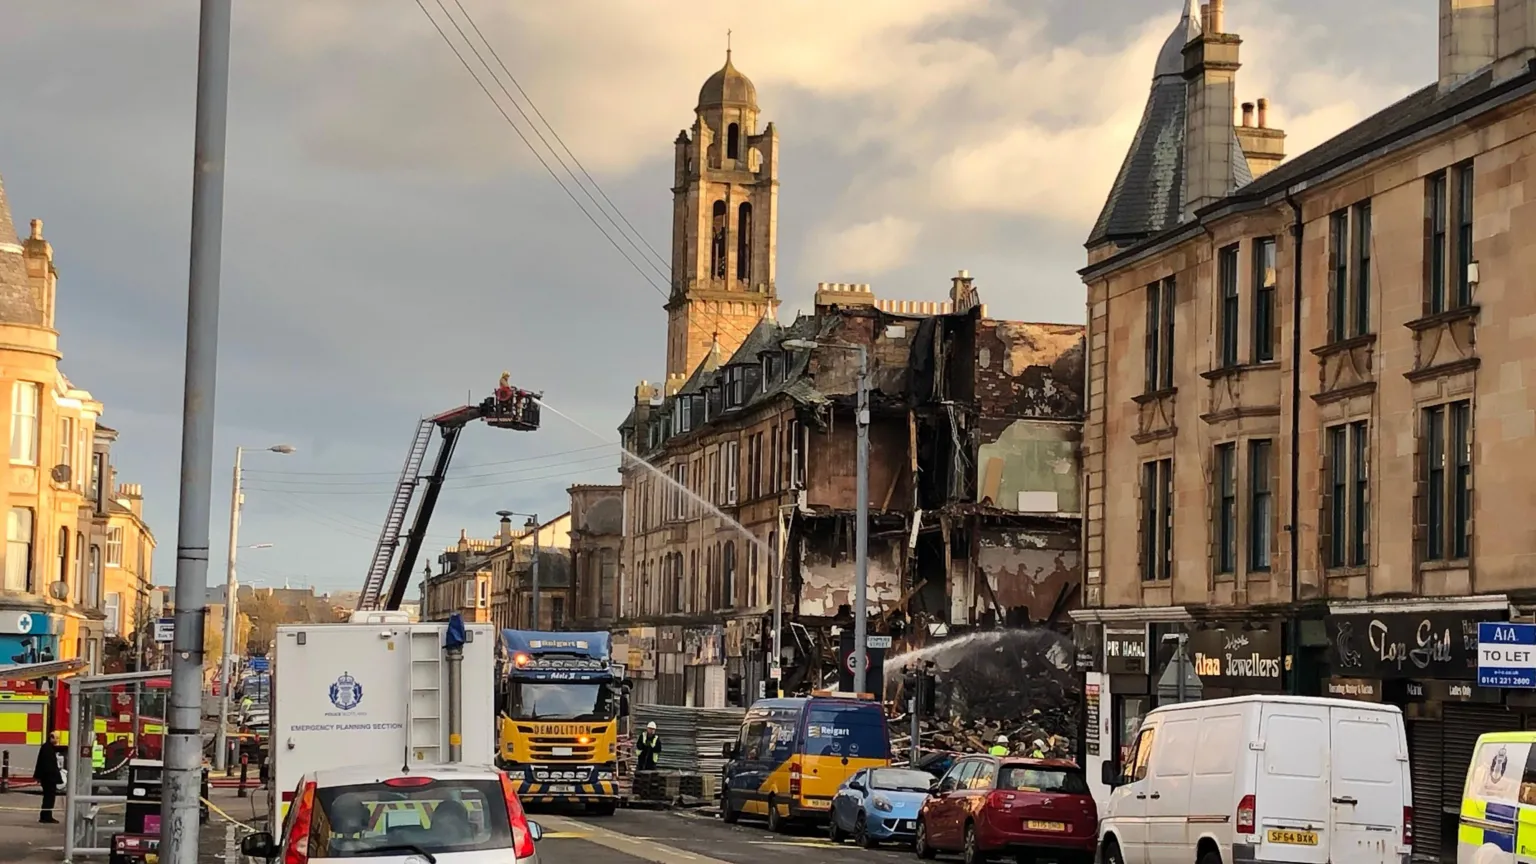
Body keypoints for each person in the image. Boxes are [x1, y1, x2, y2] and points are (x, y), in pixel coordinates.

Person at [35, 731, 63, 824]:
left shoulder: (47, 747)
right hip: (48, 779)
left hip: (48, 778)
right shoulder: (47, 749)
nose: (57, 740)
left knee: (48, 797)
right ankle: (46, 816)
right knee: (49, 798)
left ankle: (45, 815)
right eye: (56, 738)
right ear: (51, 738)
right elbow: (48, 766)